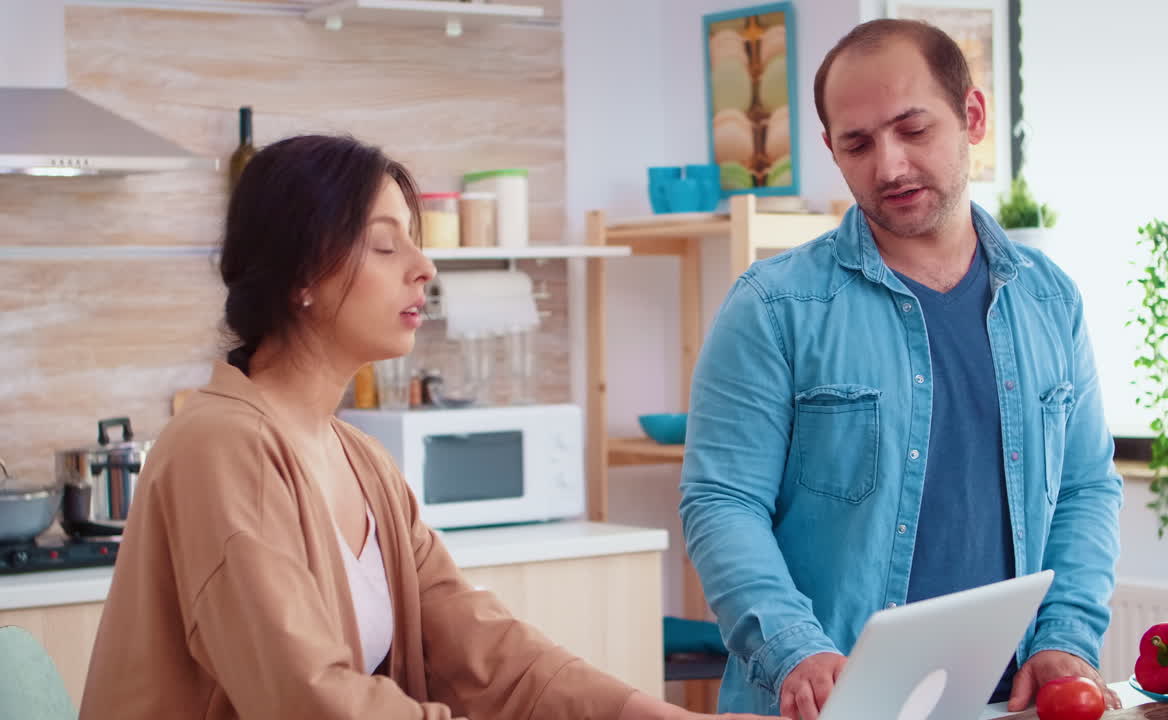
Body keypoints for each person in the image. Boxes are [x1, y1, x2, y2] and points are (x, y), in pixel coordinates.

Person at [79, 134, 774, 720]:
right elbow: (307, 697)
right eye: (386, 248)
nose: (425, 268)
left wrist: (649, 714)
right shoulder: (220, 446)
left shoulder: (359, 459)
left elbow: (484, 651)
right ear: (302, 275)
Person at [678, 19, 1124, 719]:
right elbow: (721, 503)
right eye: (857, 143)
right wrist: (797, 650)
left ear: (971, 117)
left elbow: (1086, 487)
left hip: (1012, 703)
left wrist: (1067, 635)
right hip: (830, 705)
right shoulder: (772, 307)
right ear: (832, 149)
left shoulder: (1050, 298)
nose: (888, 166)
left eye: (913, 130)